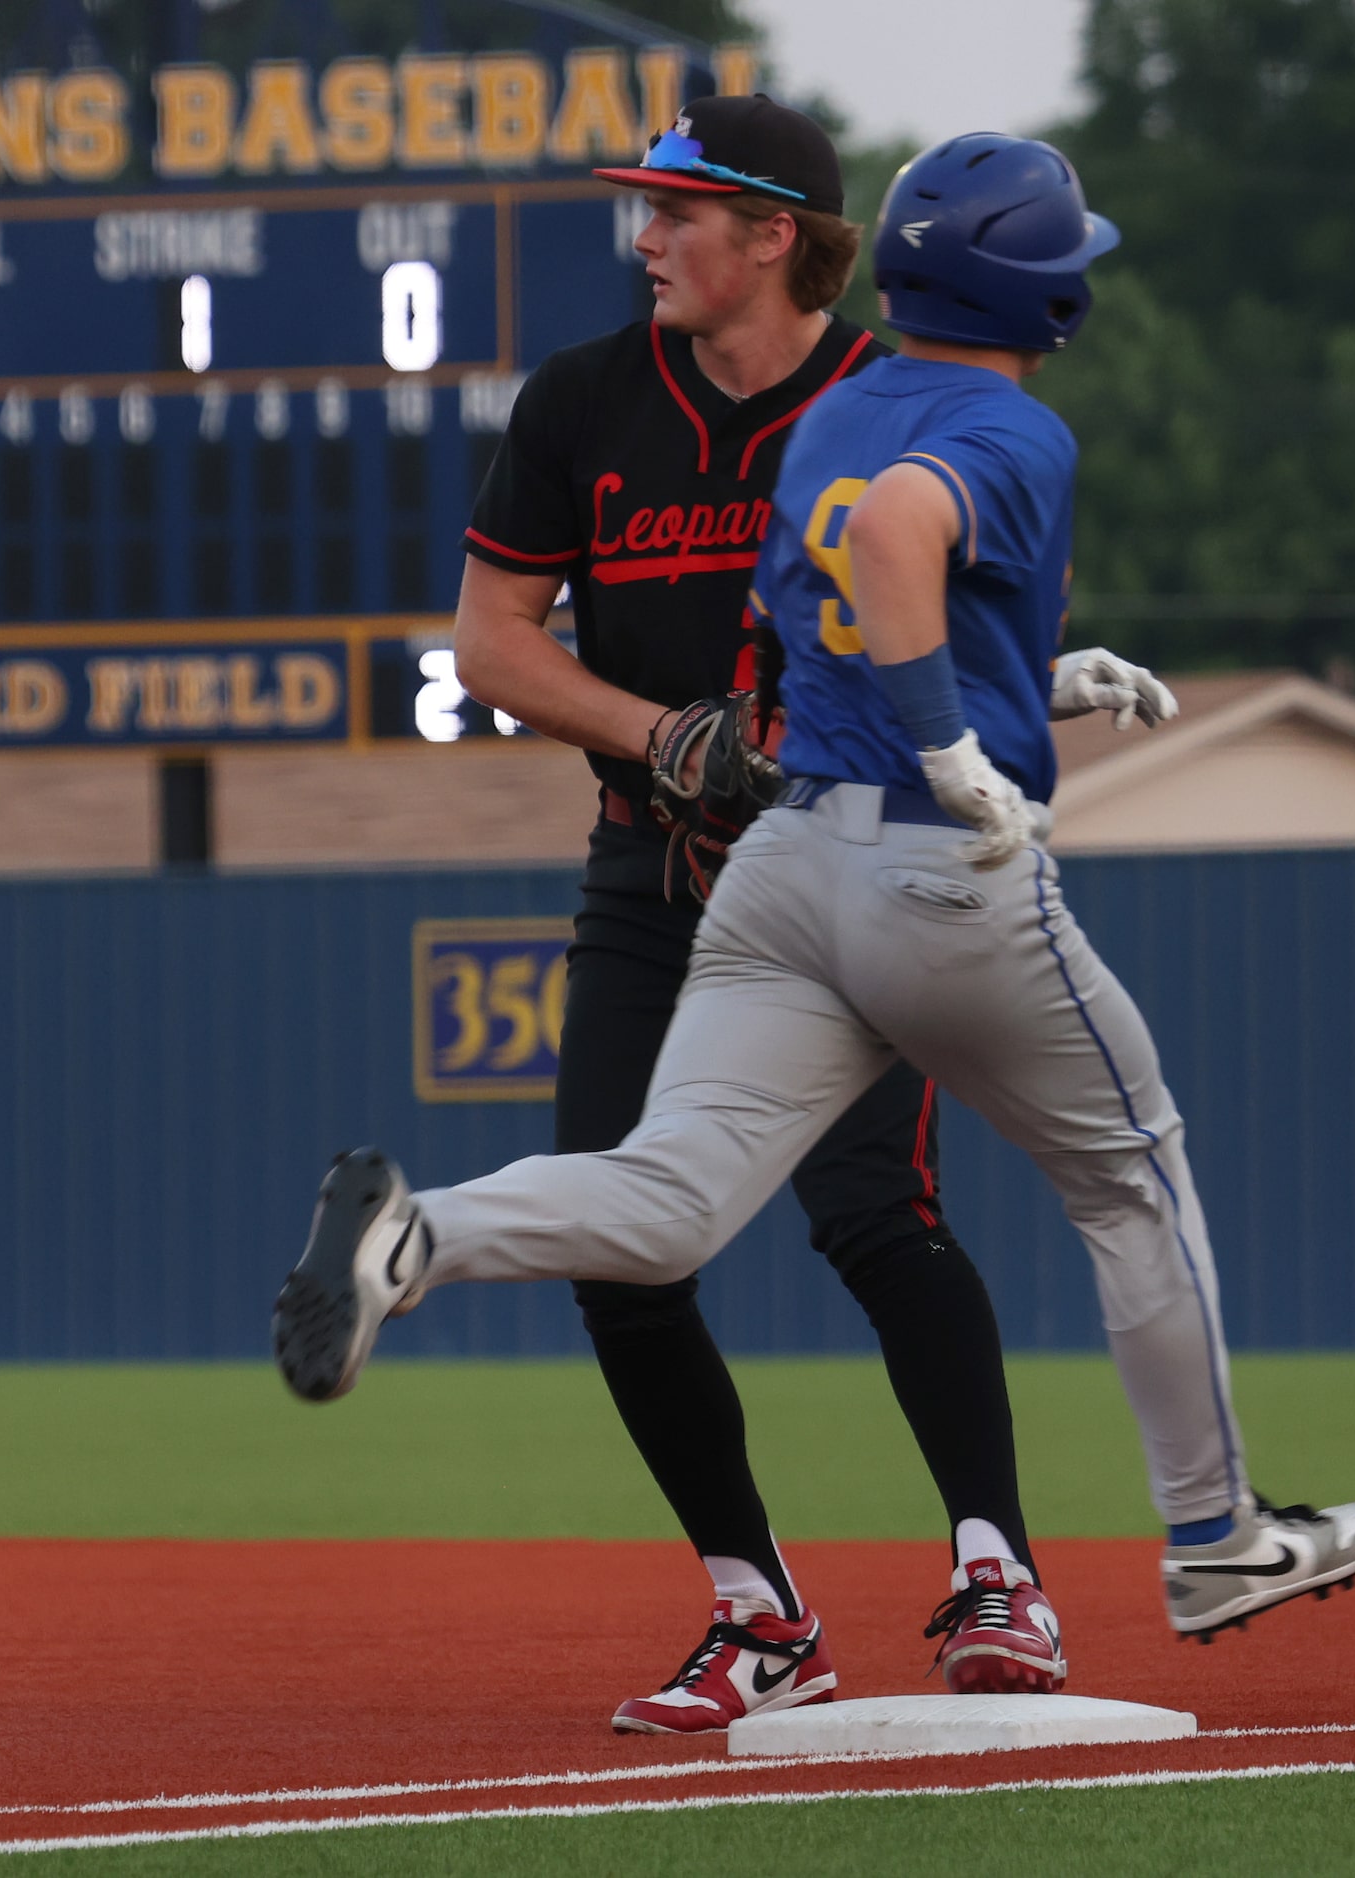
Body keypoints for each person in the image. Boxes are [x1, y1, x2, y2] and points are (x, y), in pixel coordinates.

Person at [277, 132, 1355, 1660]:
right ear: (1044, 292)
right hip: (925, 870)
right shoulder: (1006, 430)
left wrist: (1026, 687)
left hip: (785, 863)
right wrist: (955, 737)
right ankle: (1213, 1539)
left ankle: (421, 1237)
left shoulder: (836, 412)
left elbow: (822, 644)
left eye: (675, 213)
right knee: (1129, 1177)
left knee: (665, 1197)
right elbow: (891, 545)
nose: (649, 237)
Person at [323, 94, 1065, 1733]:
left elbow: (974, 605)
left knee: (873, 1209)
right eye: (643, 208)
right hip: (651, 868)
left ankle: (997, 1571)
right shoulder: (588, 400)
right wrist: (659, 734)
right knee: (616, 1246)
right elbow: (494, 644)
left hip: (851, 859)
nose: (642, 235)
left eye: (674, 210)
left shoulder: (892, 394)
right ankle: (758, 1611)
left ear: (775, 236)